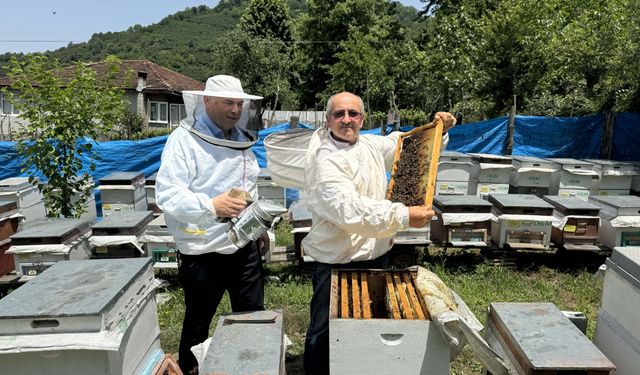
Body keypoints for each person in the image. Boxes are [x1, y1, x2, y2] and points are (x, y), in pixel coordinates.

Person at [301, 92, 457, 375]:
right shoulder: (326, 160)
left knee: (368, 328)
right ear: (328, 120)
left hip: (376, 256)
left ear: (362, 118)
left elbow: (407, 147)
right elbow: (351, 211)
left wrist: (440, 130)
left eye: (353, 113)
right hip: (336, 263)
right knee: (324, 332)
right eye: (339, 114)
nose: (346, 119)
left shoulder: (370, 144)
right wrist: (404, 215)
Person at [155, 75, 267, 375]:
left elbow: (250, 187)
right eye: (228, 102)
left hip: (244, 244)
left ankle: (252, 366)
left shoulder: (242, 138)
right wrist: (210, 206)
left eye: (239, 103)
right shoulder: (183, 141)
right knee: (198, 322)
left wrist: (259, 227)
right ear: (206, 101)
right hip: (202, 250)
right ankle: (192, 370)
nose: (235, 110)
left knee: (253, 316)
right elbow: (167, 194)